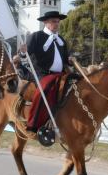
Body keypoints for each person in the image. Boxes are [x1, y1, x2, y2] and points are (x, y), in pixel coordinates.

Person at [17, 10, 70, 145]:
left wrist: (70, 61)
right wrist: (23, 53)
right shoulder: (36, 36)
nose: (56, 24)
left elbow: (65, 59)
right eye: (53, 21)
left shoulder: (61, 40)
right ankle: (34, 125)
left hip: (61, 74)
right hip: (41, 73)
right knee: (45, 88)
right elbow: (24, 55)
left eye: (57, 21)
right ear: (45, 22)